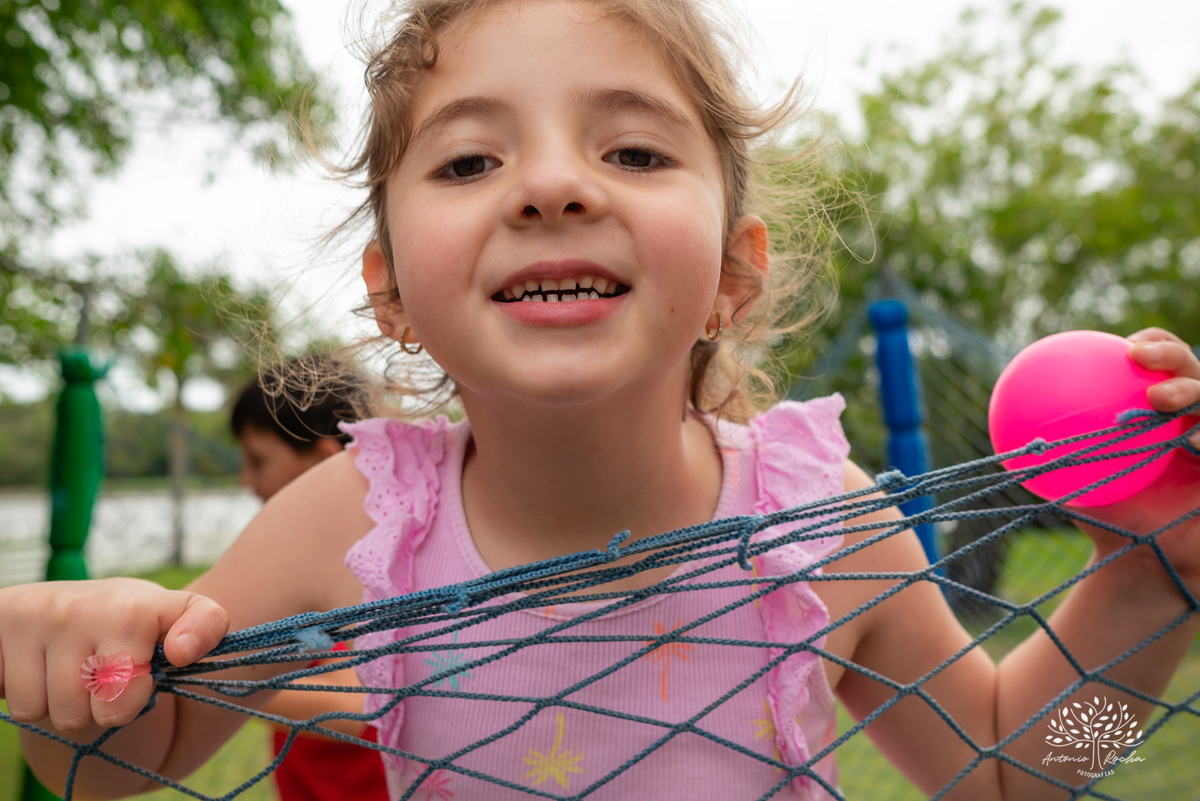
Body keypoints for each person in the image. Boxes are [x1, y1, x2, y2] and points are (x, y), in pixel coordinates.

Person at [3, 1, 1199, 799]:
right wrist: (81, 675)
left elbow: (1020, 773)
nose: (555, 186)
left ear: (734, 270)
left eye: (632, 151)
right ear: (392, 292)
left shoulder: (823, 526)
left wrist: (1147, 585)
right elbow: (106, 773)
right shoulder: (351, 520)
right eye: (471, 161)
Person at [228, 359, 389, 801]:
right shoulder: (291, 566)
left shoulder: (365, 567)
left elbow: (354, 706)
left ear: (324, 464)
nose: (247, 481)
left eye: (259, 460)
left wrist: (207, 676)